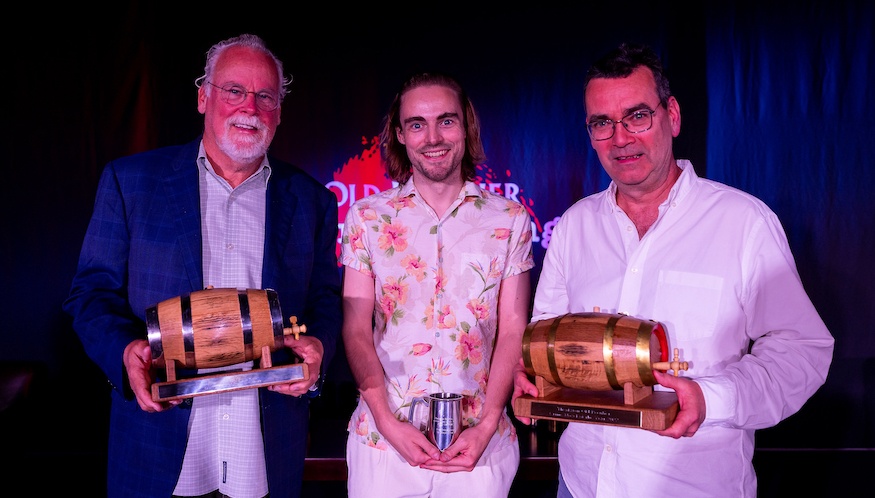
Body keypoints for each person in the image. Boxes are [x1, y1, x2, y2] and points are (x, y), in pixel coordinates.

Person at [512, 42, 834, 497]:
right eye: (602, 123)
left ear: (673, 116)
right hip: (582, 483)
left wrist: (710, 397)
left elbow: (803, 350)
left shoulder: (743, 222)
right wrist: (530, 373)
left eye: (637, 116)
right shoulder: (576, 225)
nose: (620, 137)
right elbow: (548, 334)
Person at [63, 33, 342, 498]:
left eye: (265, 96)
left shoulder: (312, 200)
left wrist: (319, 346)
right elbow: (90, 293)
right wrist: (123, 352)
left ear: (278, 110)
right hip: (158, 445)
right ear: (203, 97)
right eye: (234, 90)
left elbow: (325, 301)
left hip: (267, 449)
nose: (249, 106)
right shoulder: (131, 182)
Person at [340, 71, 535, 498]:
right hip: (382, 444)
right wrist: (387, 422)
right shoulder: (367, 218)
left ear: (466, 127)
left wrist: (485, 425)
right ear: (400, 135)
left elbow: (513, 330)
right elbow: (355, 329)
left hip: (479, 448)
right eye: (417, 124)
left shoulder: (510, 219)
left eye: (446, 121)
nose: (433, 137)